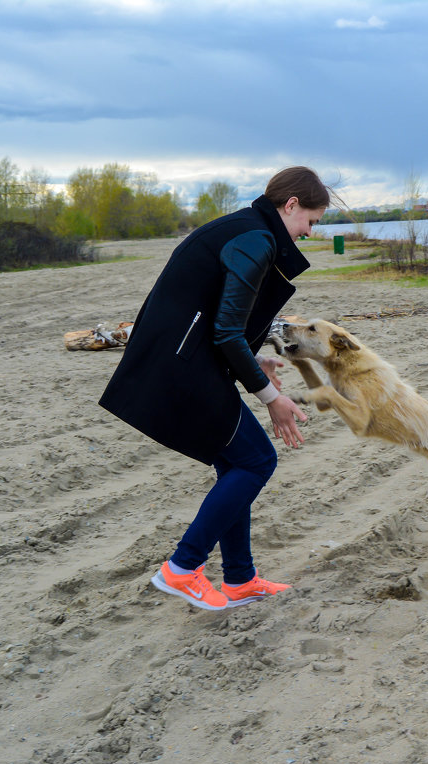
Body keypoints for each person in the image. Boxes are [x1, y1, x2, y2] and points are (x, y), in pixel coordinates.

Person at [99, 166, 331, 611]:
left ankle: (240, 580)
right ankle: (182, 568)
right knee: (258, 459)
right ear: (291, 205)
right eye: (310, 221)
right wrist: (272, 397)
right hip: (183, 367)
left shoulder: (247, 229)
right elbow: (224, 331)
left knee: (237, 462)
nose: (308, 232)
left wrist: (254, 357)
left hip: (183, 360)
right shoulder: (257, 239)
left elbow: (216, 317)